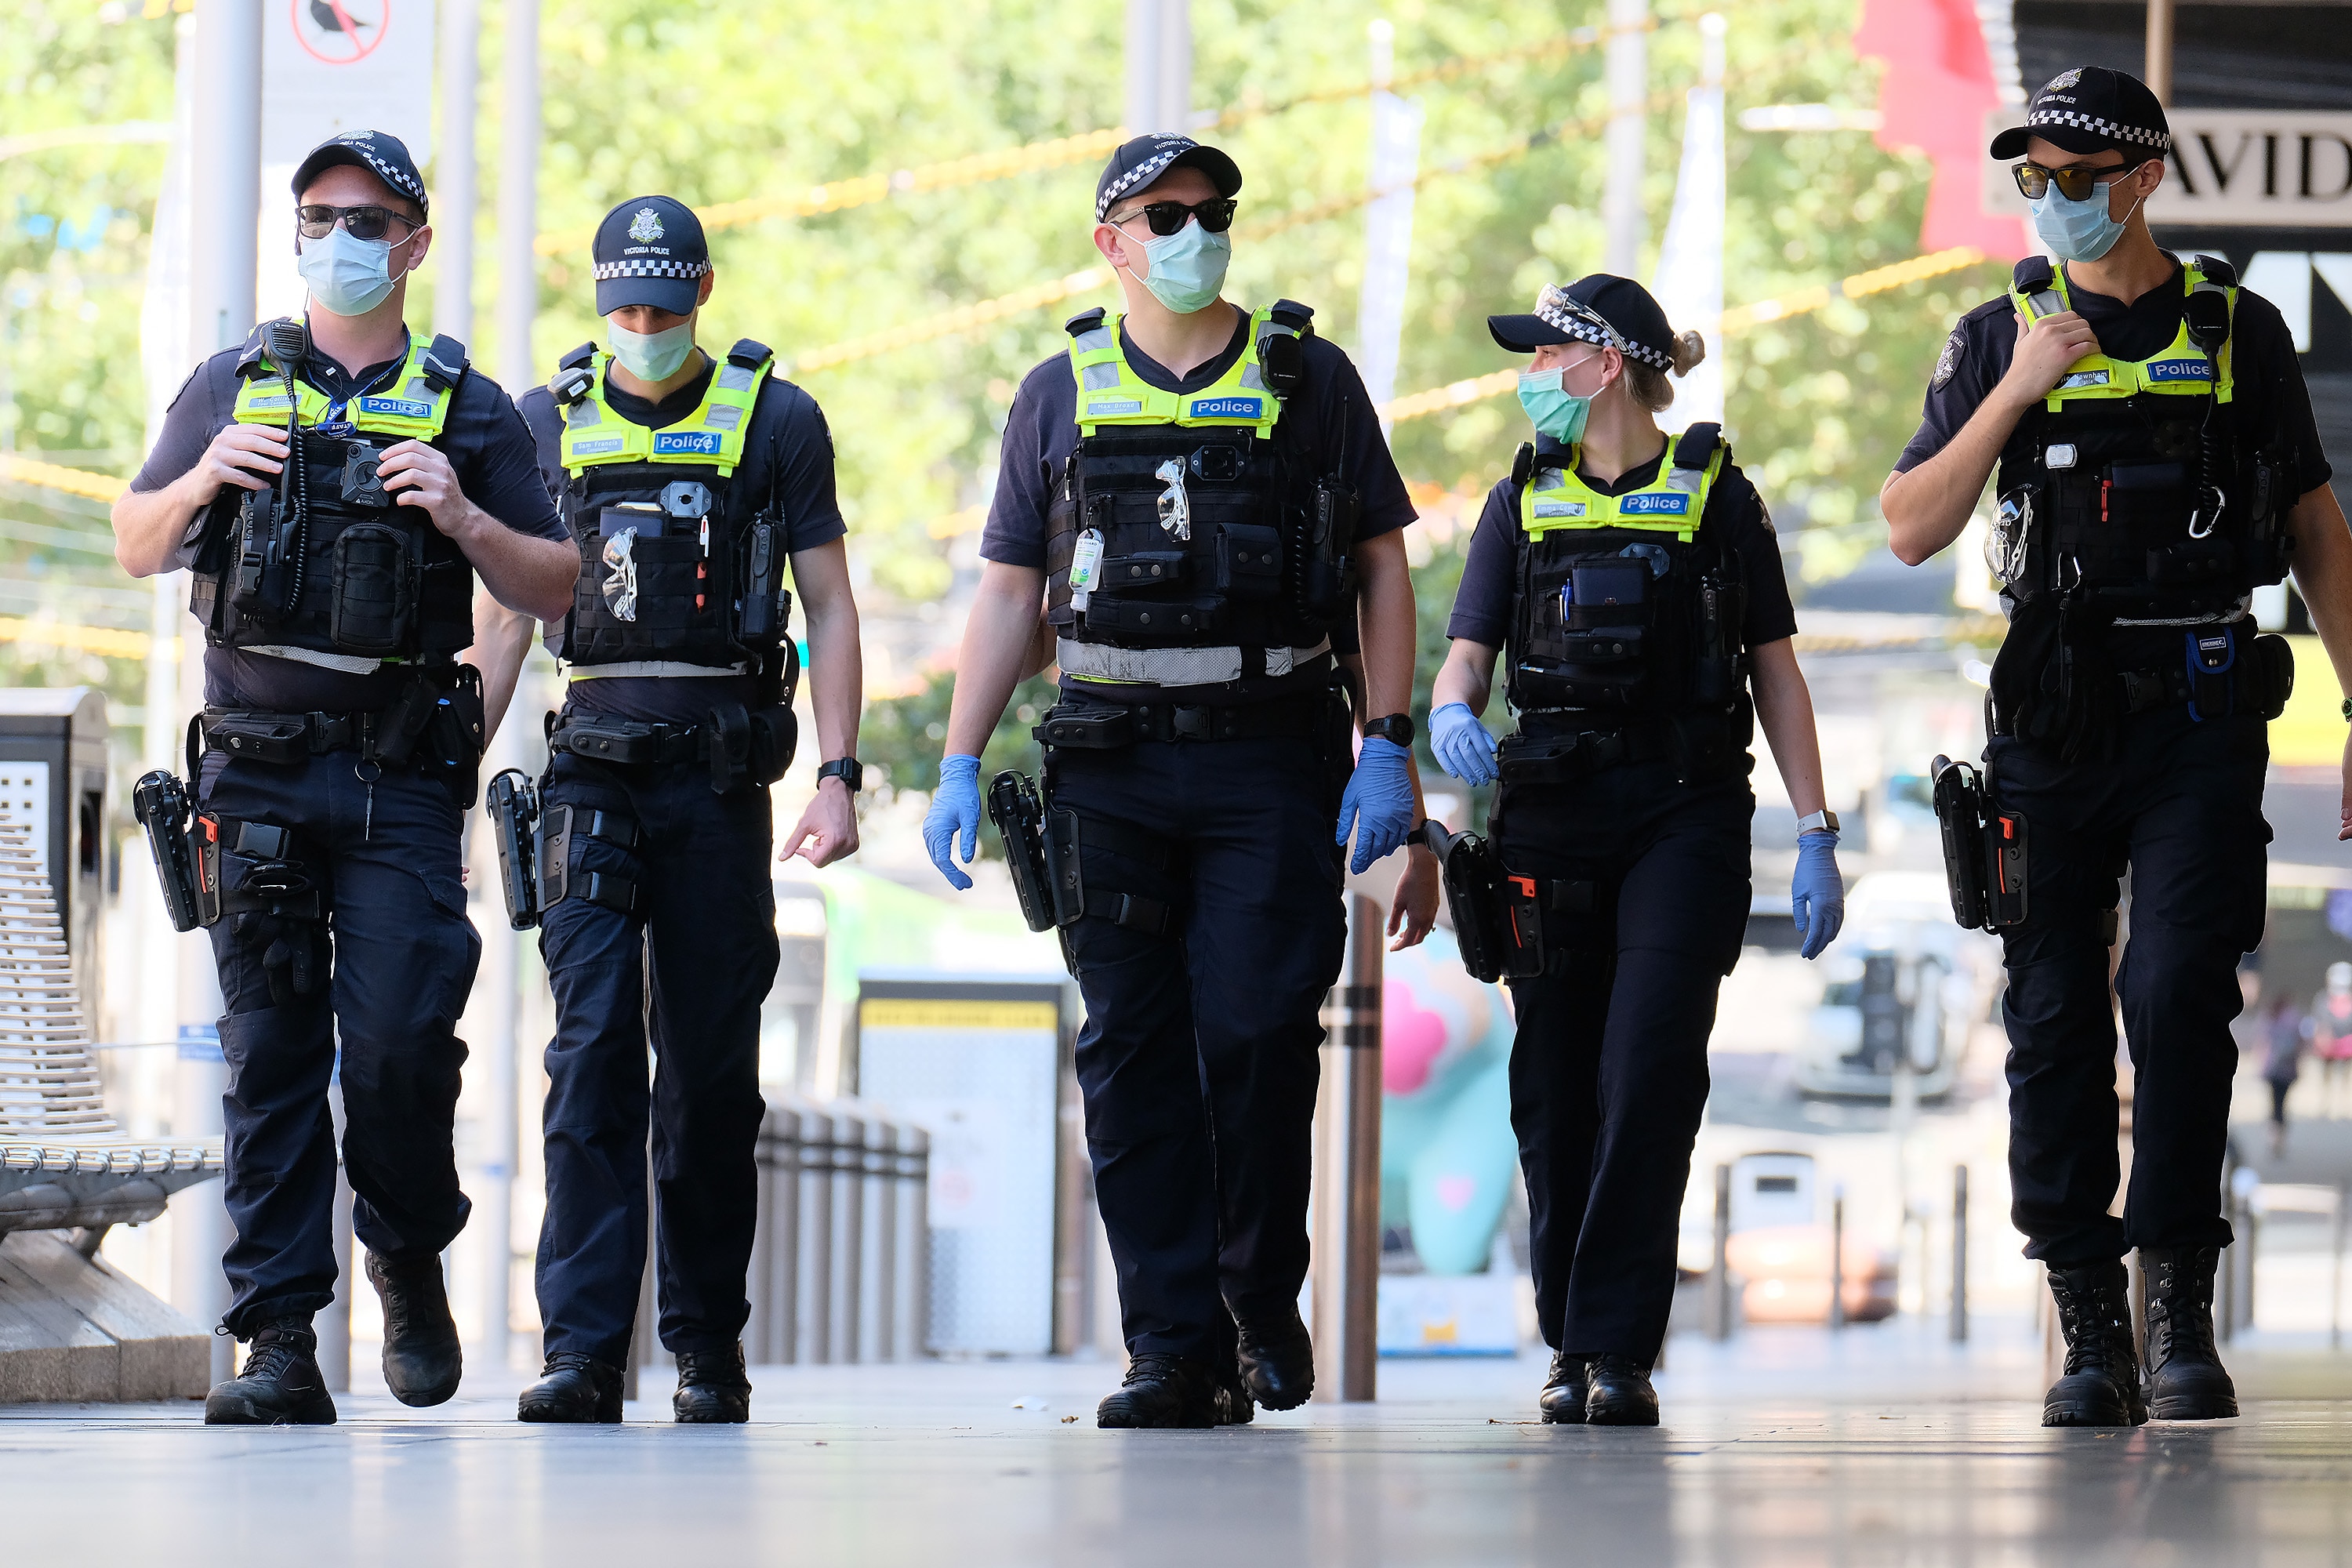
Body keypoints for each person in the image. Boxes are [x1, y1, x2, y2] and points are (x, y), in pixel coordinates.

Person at [920, 133, 1428, 1427]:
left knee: (1256, 1037)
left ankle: (1257, 1294)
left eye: (1214, 210)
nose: (1197, 230)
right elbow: (1010, 591)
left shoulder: (1310, 381)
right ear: (1113, 241)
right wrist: (962, 759)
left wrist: (1388, 741)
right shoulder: (1058, 390)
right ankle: (1174, 1349)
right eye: (1167, 212)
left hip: (1273, 752)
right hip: (1109, 762)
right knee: (1133, 1060)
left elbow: (1379, 565)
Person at [1882, 67, 2351, 1427]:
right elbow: (1911, 524)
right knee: (2051, 1017)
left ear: (2144, 177)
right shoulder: (1997, 334)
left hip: (2202, 706)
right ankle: (2089, 1319)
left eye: (2077, 179)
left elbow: (2319, 535)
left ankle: (2178, 1305)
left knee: (2179, 992)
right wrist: (2017, 391)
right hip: (2051, 721)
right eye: (2032, 180)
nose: (2053, 202)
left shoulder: (2239, 333)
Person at [110, 130, 578, 1424]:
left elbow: (559, 586)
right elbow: (135, 541)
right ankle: (279, 1340)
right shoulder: (231, 383)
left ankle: (408, 1250)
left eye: (369, 219)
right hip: (253, 781)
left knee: (395, 1052)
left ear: (414, 241)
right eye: (321, 215)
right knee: (269, 1058)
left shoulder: (468, 407)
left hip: (396, 787)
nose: (341, 237)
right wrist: (207, 472)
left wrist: (466, 515)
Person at [1428, 275, 1842, 1426]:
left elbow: (1776, 672)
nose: (1531, 379)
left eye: (1546, 356)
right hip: (1549, 816)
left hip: (1684, 812)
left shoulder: (1719, 496)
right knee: (1555, 1087)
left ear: (1606, 363)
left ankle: (1616, 1349)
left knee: (1651, 1070)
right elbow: (1468, 655)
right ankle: (1571, 1338)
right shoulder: (1520, 497)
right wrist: (1453, 708)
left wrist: (1816, 832)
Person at [499, 196, 863, 1423]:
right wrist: (447, 771)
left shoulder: (778, 419)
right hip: (589, 770)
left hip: (718, 782)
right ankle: (584, 1352)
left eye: (661, 306)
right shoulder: (544, 420)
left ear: (704, 289)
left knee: (709, 1075)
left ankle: (707, 1345)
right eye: (622, 308)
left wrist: (840, 771)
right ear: (597, 299)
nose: (641, 327)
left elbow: (832, 604)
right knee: (590, 1056)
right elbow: (505, 612)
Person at [2261, 995, 2305, 1158]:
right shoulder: (2293, 1019)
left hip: (2274, 1070)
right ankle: (2278, 1137)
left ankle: (2275, 1137)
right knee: (2281, 1105)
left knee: (2275, 1105)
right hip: (2286, 1071)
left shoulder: (2273, 1018)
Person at [2312, 962, 2352, 1116]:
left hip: (2347, 1043)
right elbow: (2319, 1021)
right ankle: (2325, 1103)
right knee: (2326, 1074)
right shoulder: (2323, 999)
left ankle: (2342, 1104)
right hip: (2328, 1044)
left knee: (2345, 1075)